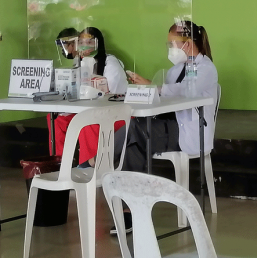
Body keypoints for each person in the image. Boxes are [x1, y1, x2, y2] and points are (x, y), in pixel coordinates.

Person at [112, 20, 217, 234]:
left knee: (131, 135)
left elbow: (185, 92)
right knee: (132, 141)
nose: (170, 49)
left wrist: (153, 87)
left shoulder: (206, 68)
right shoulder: (174, 71)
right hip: (170, 126)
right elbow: (167, 97)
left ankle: (103, 159)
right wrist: (147, 89)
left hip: (189, 131)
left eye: (173, 43)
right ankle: (131, 209)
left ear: (187, 43)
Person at [48, 27, 129, 165]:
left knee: (88, 122)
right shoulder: (79, 63)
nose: (85, 46)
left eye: (90, 42)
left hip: (115, 112)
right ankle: (60, 165)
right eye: (81, 42)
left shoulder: (110, 63)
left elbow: (113, 97)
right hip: (87, 109)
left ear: (99, 44)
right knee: (57, 119)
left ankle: (89, 168)